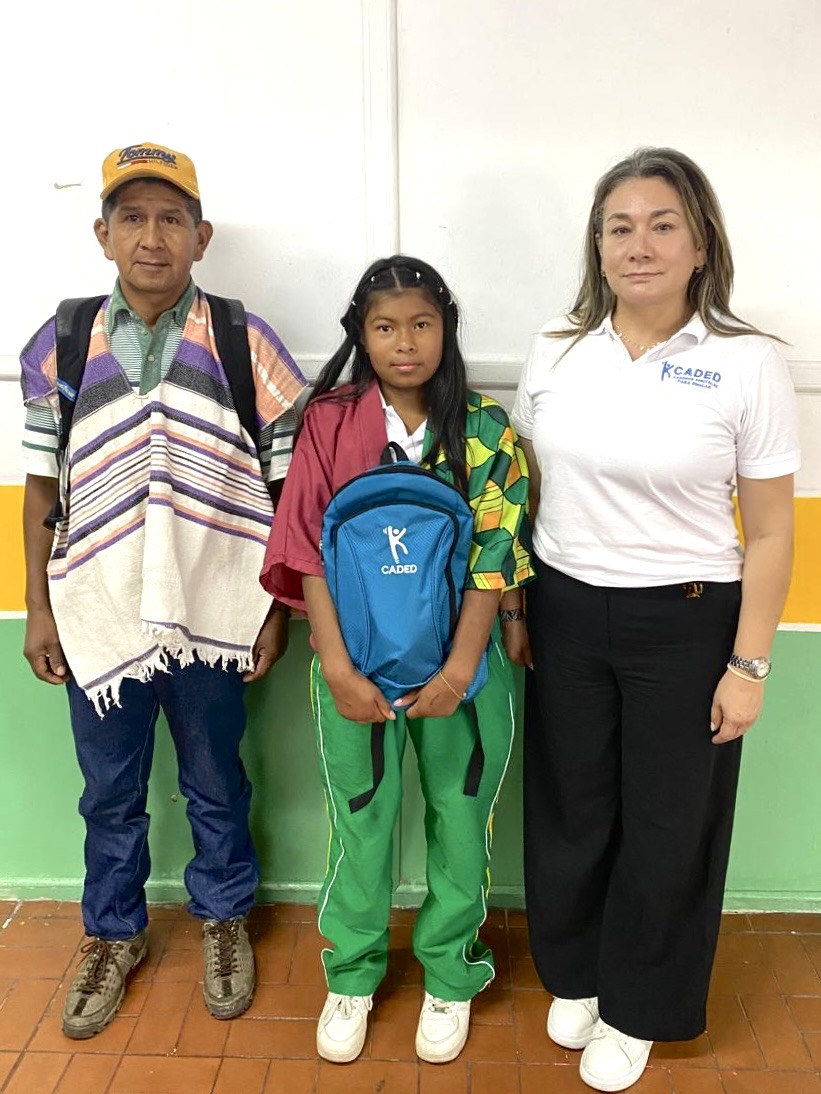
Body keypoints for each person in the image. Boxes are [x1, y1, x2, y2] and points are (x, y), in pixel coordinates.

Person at [511, 146, 800, 1092]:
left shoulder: (746, 364)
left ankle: (639, 1005)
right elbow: (518, 487)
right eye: (617, 228)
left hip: (686, 621)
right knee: (572, 806)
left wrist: (747, 667)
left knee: (669, 822)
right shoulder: (557, 347)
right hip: (560, 609)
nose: (638, 245)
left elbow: (766, 531)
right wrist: (515, 604)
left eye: (660, 224)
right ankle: (581, 971)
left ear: (700, 240)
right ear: (596, 247)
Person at [20, 142, 308, 1039]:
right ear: (103, 234)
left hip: (214, 608)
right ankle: (113, 934)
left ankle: (223, 922)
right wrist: (38, 606)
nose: (153, 236)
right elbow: (42, 486)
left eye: (172, 218)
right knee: (108, 790)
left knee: (216, 777)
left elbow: (287, 484)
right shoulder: (62, 339)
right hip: (95, 603)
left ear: (202, 235)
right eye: (134, 218)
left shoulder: (241, 338)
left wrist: (275, 605)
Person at [261, 255, 534, 1064]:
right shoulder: (330, 422)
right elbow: (307, 547)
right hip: (356, 673)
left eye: (421, 324)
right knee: (361, 824)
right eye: (384, 327)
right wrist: (337, 670)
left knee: (461, 825)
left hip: (464, 677)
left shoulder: (484, 429)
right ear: (361, 334)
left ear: (446, 329)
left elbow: (493, 554)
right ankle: (351, 973)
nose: (404, 342)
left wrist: (456, 672)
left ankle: (449, 974)